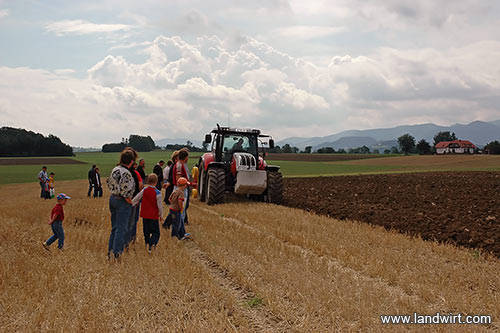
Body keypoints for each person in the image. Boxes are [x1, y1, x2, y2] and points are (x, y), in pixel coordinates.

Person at [107, 149, 136, 260]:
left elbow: (109, 183)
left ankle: (110, 251)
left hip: (113, 198)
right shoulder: (126, 173)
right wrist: (131, 202)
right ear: (131, 161)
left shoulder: (115, 169)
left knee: (114, 228)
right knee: (121, 229)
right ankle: (117, 254)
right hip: (122, 201)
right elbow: (125, 193)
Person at [132, 174, 163, 253]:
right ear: (156, 182)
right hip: (153, 215)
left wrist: (131, 204)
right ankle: (152, 245)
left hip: (145, 215)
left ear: (148, 181)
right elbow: (160, 206)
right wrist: (161, 215)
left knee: (146, 231)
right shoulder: (158, 192)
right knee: (156, 232)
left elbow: (137, 198)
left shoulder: (144, 190)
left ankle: (147, 243)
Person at [126, 161, 143, 246]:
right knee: (133, 220)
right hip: (133, 200)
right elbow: (140, 185)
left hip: (122, 200)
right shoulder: (136, 173)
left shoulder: (120, 171)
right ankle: (132, 238)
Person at [162, 151, 179, 229]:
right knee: (175, 208)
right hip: (173, 188)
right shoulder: (174, 166)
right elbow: (172, 178)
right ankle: (167, 223)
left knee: (176, 208)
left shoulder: (174, 165)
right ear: (176, 158)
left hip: (173, 187)